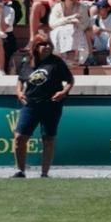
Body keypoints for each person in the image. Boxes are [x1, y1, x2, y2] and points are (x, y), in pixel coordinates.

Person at [12, 37, 75, 178]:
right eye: (43, 44)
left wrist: (64, 92)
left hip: (51, 105)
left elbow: (70, 80)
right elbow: (20, 80)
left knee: (48, 139)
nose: (47, 47)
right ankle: (20, 171)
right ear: (35, 47)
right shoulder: (28, 62)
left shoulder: (56, 62)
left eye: (49, 44)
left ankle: (44, 173)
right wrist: (19, 92)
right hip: (30, 105)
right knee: (19, 137)